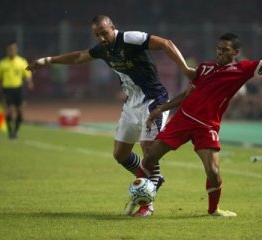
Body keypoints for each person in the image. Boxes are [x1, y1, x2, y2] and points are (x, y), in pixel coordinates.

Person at [26, 15, 193, 217]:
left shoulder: (130, 38)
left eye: (104, 32)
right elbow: (79, 56)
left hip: (154, 100)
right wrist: (47, 60)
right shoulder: (103, 49)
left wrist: (185, 69)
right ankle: (154, 178)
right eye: (97, 35)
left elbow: (166, 44)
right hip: (131, 102)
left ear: (113, 27)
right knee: (120, 154)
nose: (102, 38)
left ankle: (146, 204)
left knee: (149, 153)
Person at [138, 33, 262, 217]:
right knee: (150, 158)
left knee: (213, 172)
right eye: (219, 49)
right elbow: (186, 95)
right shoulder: (204, 68)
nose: (220, 53)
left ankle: (213, 210)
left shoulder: (242, 69)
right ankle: (144, 204)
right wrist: (161, 109)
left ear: (235, 52)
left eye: (225, 50)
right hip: (182, 120)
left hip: (206, 126)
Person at [0, 41, 34, 139]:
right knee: (10, 110)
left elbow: (27, 75)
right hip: (7, 89)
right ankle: (10, 131)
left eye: (13, 49)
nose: (12, 51)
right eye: (10, 49)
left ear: (16, 50)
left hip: (18, 88)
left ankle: (16, 131)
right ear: (7, 51)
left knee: (20, 111)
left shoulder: (21, 61)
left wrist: (29, 82)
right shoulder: (2, 63)